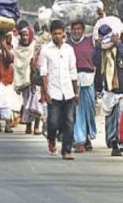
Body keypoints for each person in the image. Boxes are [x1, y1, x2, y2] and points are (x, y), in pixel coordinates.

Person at [93, 26, 123, 156]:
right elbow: (96, 62)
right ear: (121, 36)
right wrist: (98, 47)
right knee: (111, 120)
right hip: (110, 90)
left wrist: (118, 43)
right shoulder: (108, 50)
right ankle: (113, 144)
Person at [40, 20, 78, 160]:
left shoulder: (69, 49)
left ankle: (67, 150)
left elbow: (73, 71)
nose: (57, 36)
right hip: (53, 91)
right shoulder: (46, 50)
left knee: (69, 120)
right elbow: (43, 73)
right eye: (55, 33)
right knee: (53, 122)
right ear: (51, 34)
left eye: (60, 33)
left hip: (68, 91)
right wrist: (45, 92)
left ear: (64, 34)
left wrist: (76, 92)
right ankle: (51, 139)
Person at [68, 21, 97, 153]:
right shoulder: (67, 45)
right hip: (73, 80)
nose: (76, 31)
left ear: (83, 30)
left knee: (89, 111)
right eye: (74, 29)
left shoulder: (90, 41)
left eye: (79, 29)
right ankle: (79, 141)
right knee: (77, 111)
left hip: (89, 79)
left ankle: (87, 137)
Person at [13, 20, 41, 134]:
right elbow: (17, 65)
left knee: (37, 102)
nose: (25, 37)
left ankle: (37, 126)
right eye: (23, 35)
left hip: (35, 78)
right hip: (24, 81)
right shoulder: (18, 48)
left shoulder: (35, 46)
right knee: (26, 103)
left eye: (26, 35)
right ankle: (28, 125)